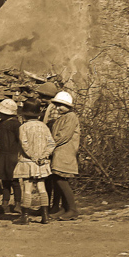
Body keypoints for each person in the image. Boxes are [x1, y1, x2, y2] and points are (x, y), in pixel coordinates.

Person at [14, 99, 56, 225]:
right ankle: (45, 216)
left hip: (28, 161)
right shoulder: (44, 127)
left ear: (24, 114)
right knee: (41, 187)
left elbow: (24, 144)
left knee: (27, 187)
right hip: (41, 163)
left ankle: (25, 216)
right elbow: (51, 143)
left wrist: (32, 156)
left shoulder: (23, 127)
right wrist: (43, 156)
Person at [48, 91, 80, 220]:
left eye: (61, 105)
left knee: (61, 179)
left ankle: (72, 209)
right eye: (57, 104)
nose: (58, 107)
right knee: (57, 179)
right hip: (58, 152)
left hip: (65, 152)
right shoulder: (62, 117)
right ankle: (65, 208)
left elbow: (63, 136)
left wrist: (49, 146)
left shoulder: (71, 117)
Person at [0, 98, 22, 216]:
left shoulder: (15, 125)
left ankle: (14, 204)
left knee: (11, 181)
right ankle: (7, 204)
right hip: (7, 155)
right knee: (9, 181)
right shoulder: (4, 124)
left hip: (10, 155)